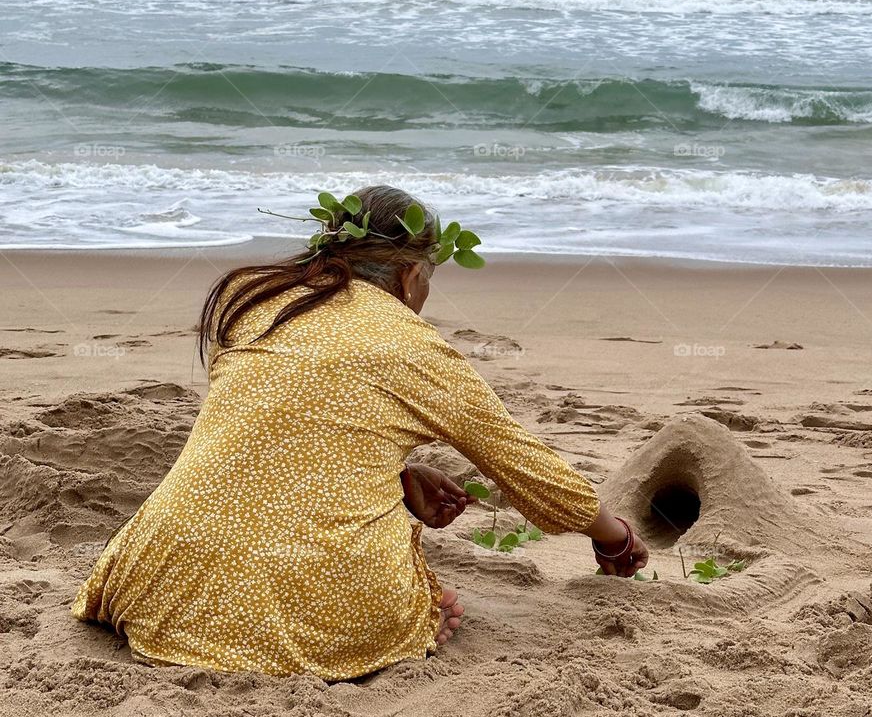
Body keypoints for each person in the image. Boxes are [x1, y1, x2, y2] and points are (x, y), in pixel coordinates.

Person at [72, 185, 648, 680]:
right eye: (428, 280)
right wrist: (613, 535)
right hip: (296, 601)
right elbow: (523, 466)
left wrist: (394, 475)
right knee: (406, 603)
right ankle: (395, 619)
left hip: (152, 578)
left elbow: (279, 424)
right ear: (410, 272)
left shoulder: (253, 300)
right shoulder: (411, 344)